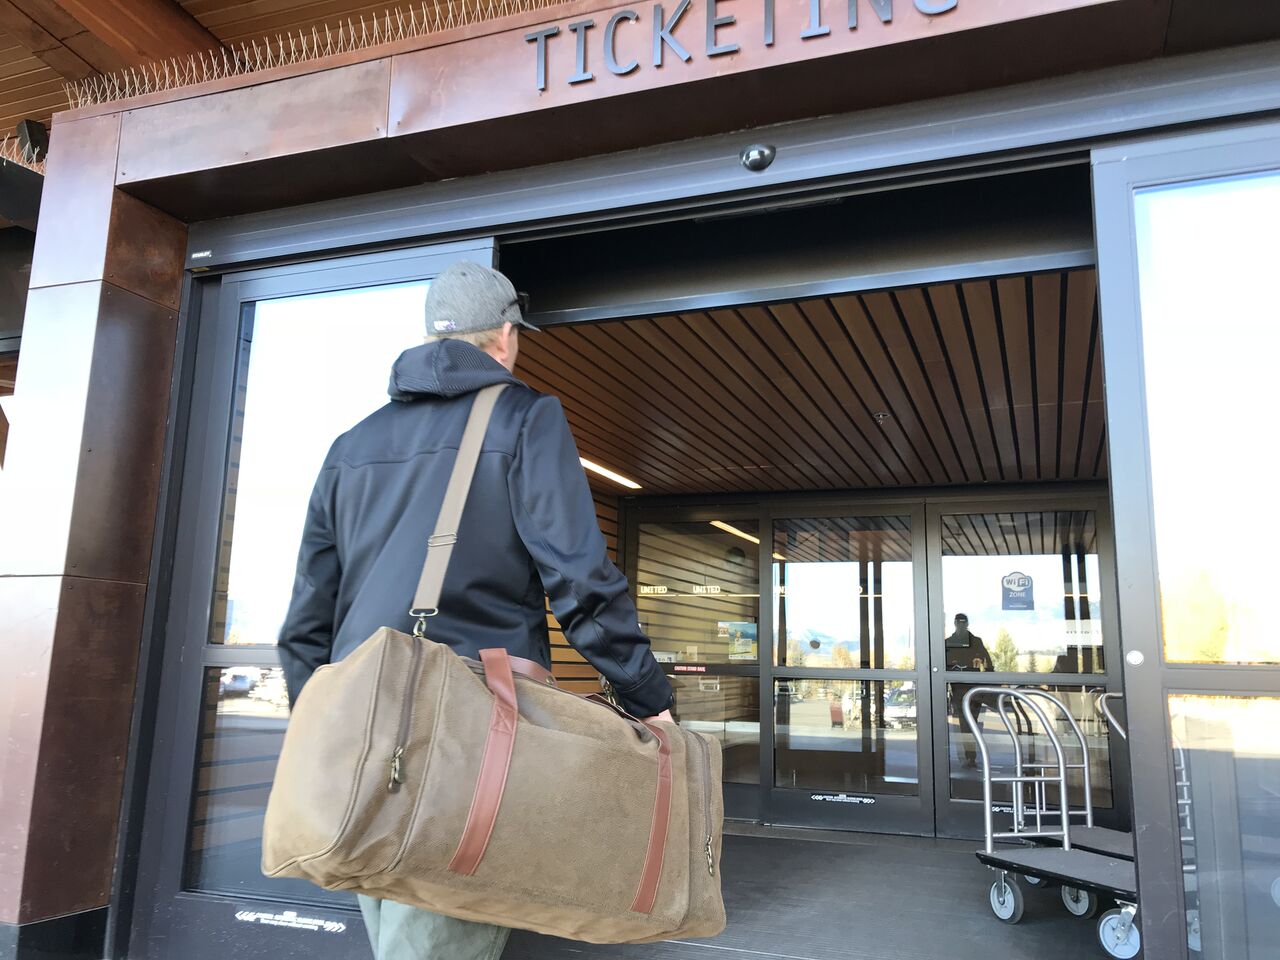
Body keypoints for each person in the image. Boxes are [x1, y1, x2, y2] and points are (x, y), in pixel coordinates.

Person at [277, 262, 675, 960]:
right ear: (505, 336)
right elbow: (579, 577)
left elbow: (307, 617)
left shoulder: (352, 446)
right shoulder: (525, 418)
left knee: (400, 928)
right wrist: (647, 696)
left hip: (363, 735)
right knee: (439, 934)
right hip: (465, 733)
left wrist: (320, 722)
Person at [945, 613, 994, 768]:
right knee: (964, 724)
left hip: (975, 689)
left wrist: (988, 682)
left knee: (973, 723)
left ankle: (972, 755)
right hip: (958, 688)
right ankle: (969, 756)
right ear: (954, 624)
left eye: (963, 622)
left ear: (967, 624)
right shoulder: (948, 643)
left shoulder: (976, 642)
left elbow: (988, 664)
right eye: (958, 622)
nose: (960, 625)